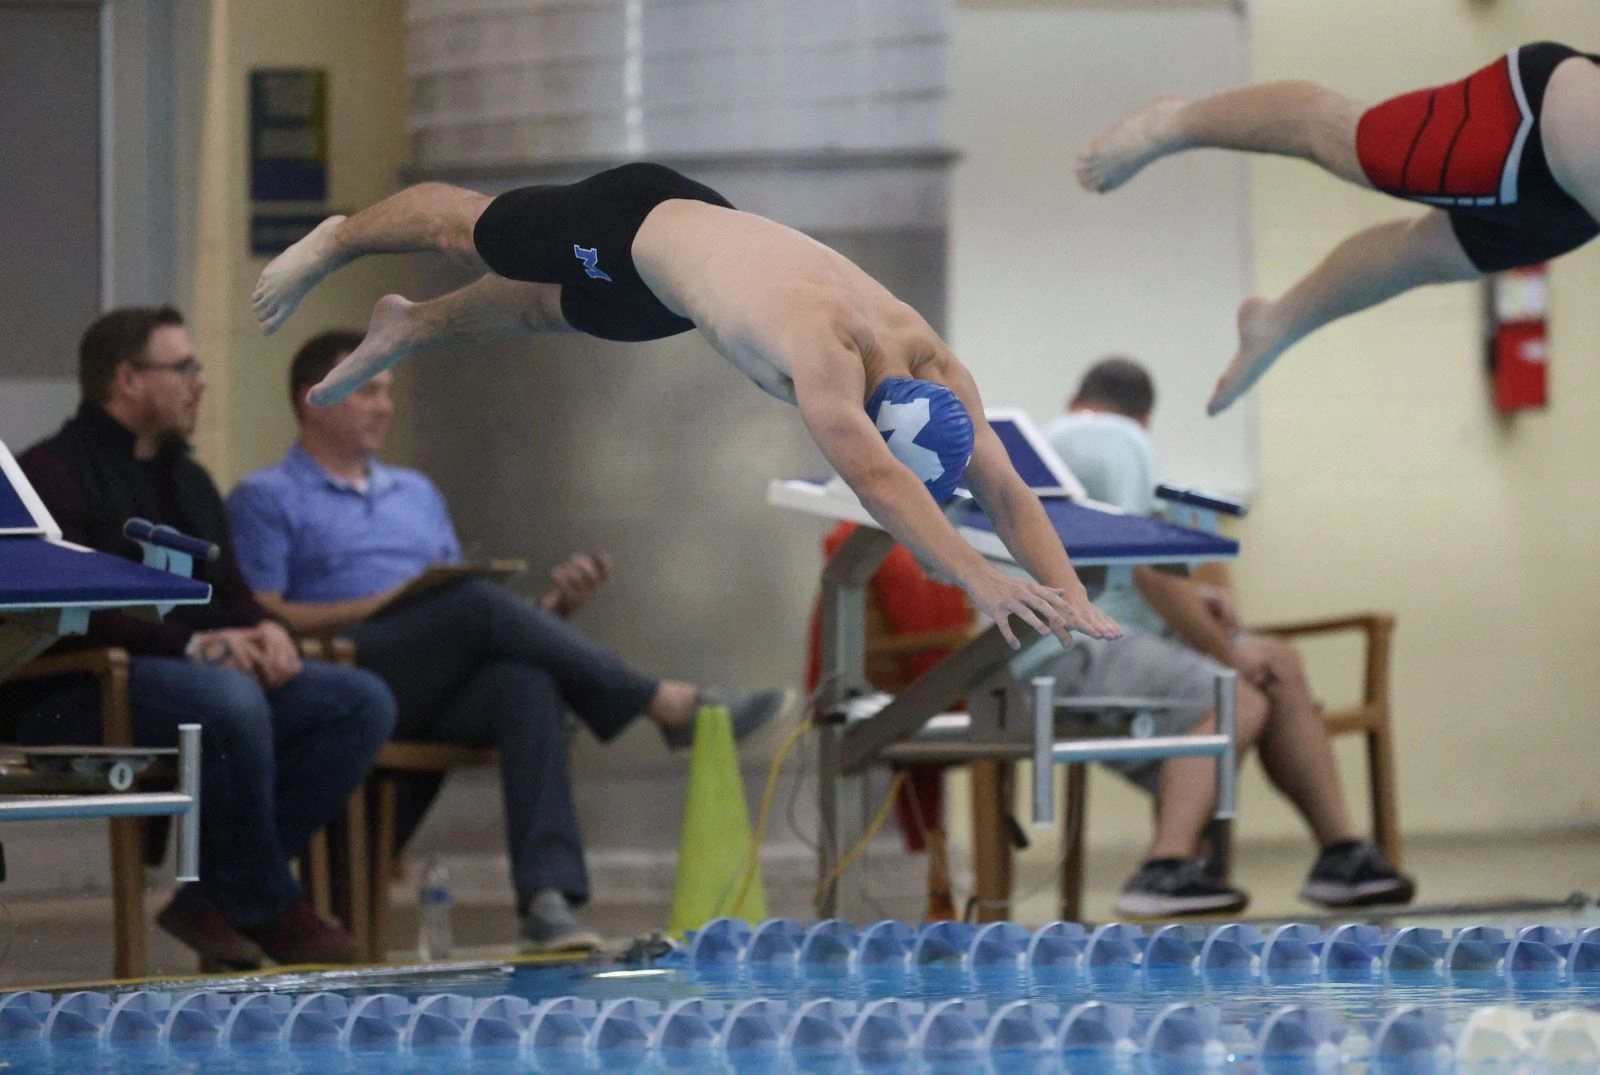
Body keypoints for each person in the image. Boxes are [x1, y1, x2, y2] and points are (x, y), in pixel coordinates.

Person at [250, 162, 1122, 653]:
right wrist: (974, 574)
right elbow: (872, 478)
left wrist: (1069, 591)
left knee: (536, 307)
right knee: (466, 230)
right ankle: (338, 234)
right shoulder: (827, 349)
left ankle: (409, 326)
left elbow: (1006, 489)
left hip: (674, 293)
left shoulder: (941, 368)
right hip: (638, 220)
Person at [226, 329, 797, 951]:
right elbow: (263, 614)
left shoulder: (415, 494)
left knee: (524, 681)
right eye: (369, 390)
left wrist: (552, 613)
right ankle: (662, 702)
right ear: (316, 399)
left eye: (389, 390)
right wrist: (393, 603)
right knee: (468, 601)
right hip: (346, 671)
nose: (385, 405)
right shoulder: (266, 497)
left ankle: (547, 899)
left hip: (432, 675)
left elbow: (465, 625)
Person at [1, 307, 396, 967]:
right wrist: (192, 644)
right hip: (78, 686)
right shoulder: (52, 471)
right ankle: (266, 900)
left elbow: (231, 589)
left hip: (191, 681)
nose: (198, 382)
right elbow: (63, 607)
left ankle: (211, 892)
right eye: (182, 367)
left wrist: (265, 630)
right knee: (229, 699)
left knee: (357, 701)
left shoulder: (188, 477)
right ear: (127, 378)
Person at [1044, 357, 1414, 915]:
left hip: (1101, 644)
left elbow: (1142, 574)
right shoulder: (1114, 442)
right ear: (1146, 419)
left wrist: (1208, 618)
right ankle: (1166, 866)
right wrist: (1226, 655)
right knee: (1235, 695)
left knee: (1279, 663)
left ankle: (1341, 852)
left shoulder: (1060, 448)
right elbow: (1149, 569)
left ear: (1077, 399)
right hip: (1073, 647)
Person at [1077, 43, 1600, 416]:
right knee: (1348, 140)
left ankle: (1279, 322)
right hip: (1562, 118)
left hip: (1576, 200)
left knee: (1430, 256)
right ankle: (1170, 122)